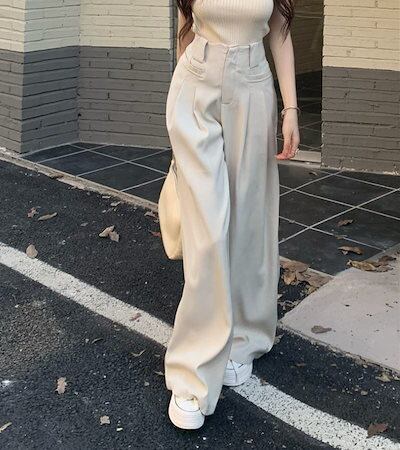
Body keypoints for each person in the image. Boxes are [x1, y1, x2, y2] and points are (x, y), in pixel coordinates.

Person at [164, 0, 300, 429]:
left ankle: (243, 337)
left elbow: (280, 32)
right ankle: (192, 373)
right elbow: (185, 27)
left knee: (248, 224)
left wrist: (291, 110)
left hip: (252, 86)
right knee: (206, 233)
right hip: (195, 82)